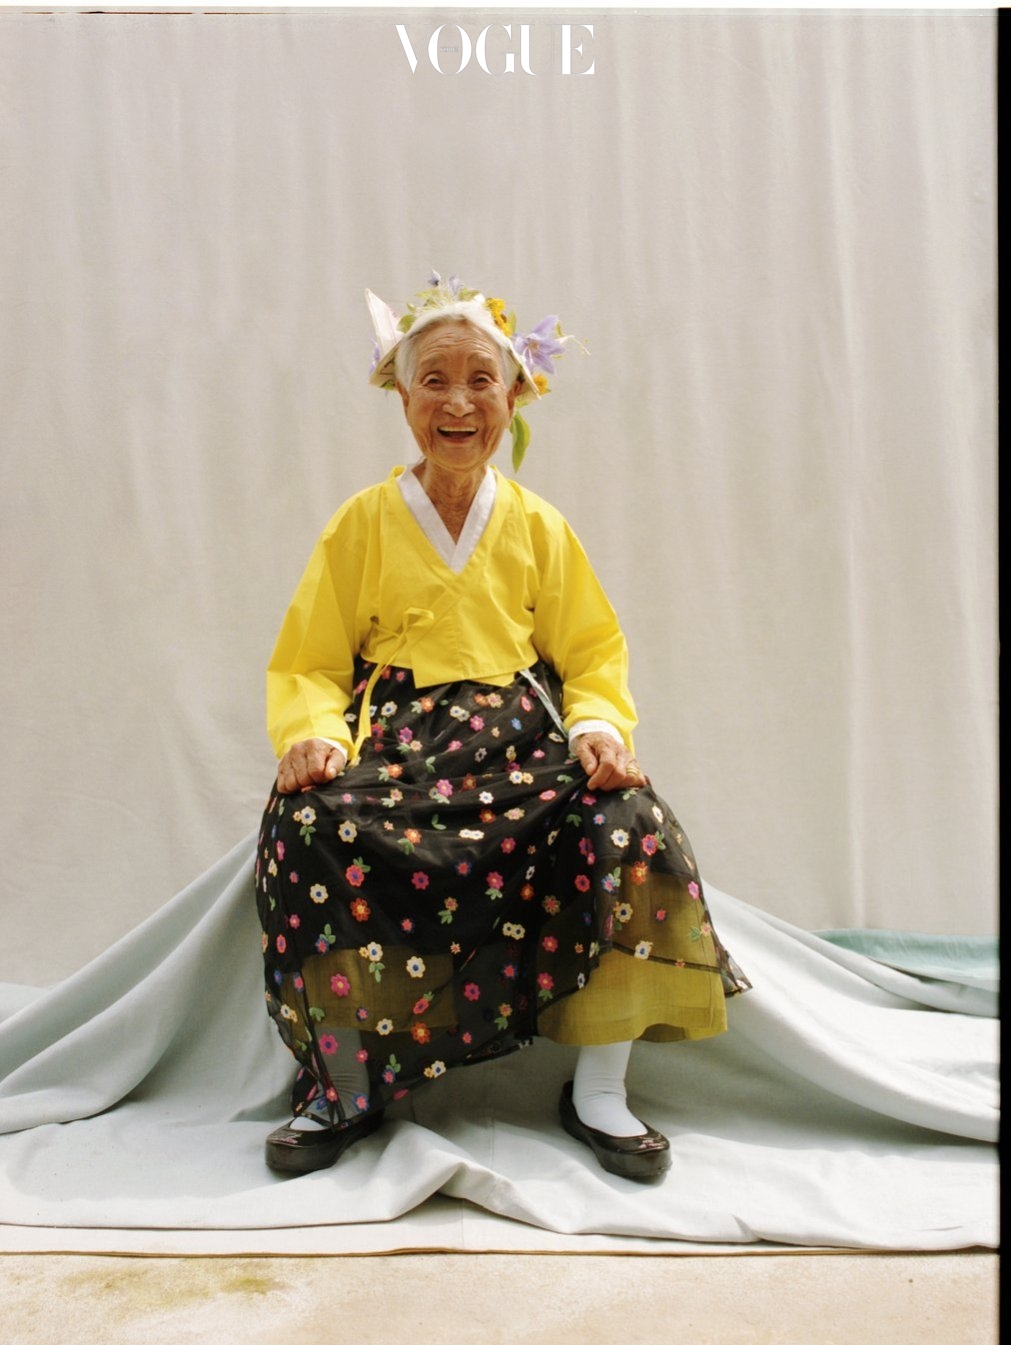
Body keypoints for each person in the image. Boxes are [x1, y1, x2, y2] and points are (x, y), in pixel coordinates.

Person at [255, 273, 750, 1182]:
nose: (457, 402)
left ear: (514, 396)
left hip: (522, 745)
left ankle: (599, 1090)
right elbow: (311, 660)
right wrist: (313, 732)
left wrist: (596, 726)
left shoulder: (538, 525)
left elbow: (591, 651)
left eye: (480, 379)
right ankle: (343, 1081)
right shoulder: (361, 524)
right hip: (397, 748)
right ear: (402, 397)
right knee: (309, 825)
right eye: (434, 380)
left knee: (627, 824)